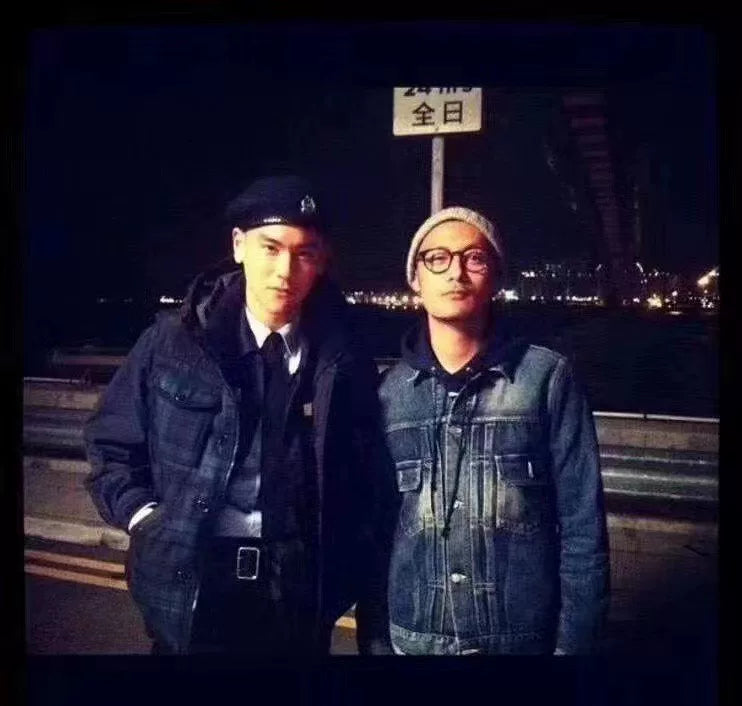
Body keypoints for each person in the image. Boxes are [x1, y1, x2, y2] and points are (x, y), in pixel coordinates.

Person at [84, 175, 395, 655]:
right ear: (238, 246)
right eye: (270, 248)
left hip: (296, 588)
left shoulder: (343, 357)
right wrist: (146, 519)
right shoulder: (173, 342)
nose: (285, 270)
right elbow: (111, 443)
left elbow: (363, 472)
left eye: (304, 253)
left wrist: (343, 559)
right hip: (195, 577)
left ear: (321, 262)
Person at [379, 206, 609, 655]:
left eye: (475, 258)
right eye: (437, 258)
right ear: (415, 278)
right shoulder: (388, 395)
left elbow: (583, 530)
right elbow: (374, 533)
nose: (456, 272)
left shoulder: (546, 379)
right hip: (415, 642)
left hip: (520, 644)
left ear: (497, 277)